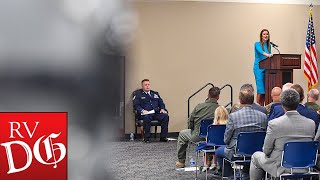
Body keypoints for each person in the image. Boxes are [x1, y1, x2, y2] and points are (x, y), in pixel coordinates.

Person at [250, 89, 315, 179]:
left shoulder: (274, 124)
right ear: (298, 103)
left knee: (256, 156)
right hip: (305, 167)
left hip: (281, 167)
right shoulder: (311, 124)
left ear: (282, 104)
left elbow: (266, 150)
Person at [214, 85, 267, 178]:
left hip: (237, 153)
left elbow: (226, 139)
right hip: (257, 151)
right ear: (252, 100)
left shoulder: (233, 116)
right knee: (248, 151)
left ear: (240, 101)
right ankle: (246, 174)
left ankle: (229, 176)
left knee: (218, 151)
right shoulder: (263, 116)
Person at [175, 87, 220, 168]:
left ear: (208, 95)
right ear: (218, 97)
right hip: (214, 139)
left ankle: (181, 161)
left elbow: (190, 121)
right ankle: (209, 160)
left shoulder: (199, 107)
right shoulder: (220, 109)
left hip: (198, 136)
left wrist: (192, 129)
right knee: (210, 140)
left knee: (182, 134)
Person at [133, 79, 169, 143]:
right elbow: (136, 106)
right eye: (145, 85)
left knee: (165, 116)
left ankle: (163, 137)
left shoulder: (155, 93)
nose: (147, 86)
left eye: (148, 84)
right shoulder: (138, 94)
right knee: (147, 117)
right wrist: (142, 110)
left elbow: (161, 103)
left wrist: (162, 109)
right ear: (142, 86)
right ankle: (147, 138)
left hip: (156, 112)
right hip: (146, 113)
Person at [200, 106, 229, 171]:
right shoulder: (229, 125)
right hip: (225, 145)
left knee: (208, 144)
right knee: (216, 145)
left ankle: (206, 164)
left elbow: (208, 139)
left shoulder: (212, 127)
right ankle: (214, 164)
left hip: (213, 145)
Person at [254, 29, 273, 106]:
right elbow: (260, 52)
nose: (266, 36)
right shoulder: (257, 44)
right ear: (261, 36)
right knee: (260, 89)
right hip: (258, 68)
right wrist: (267, 55)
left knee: (266, 89)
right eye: (264, 34)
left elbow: (270, 56)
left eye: (267, 34)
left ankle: (264, 107)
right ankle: (257, 106)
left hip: (266, 69)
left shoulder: (269, 46)